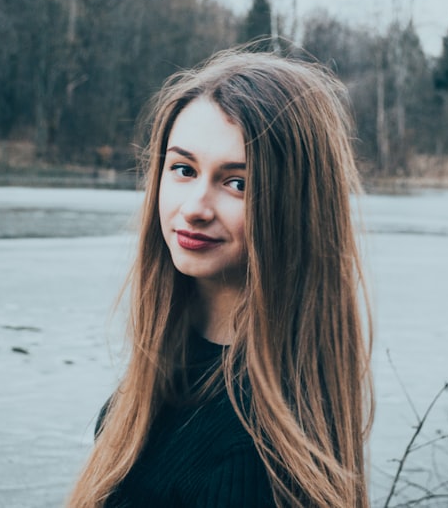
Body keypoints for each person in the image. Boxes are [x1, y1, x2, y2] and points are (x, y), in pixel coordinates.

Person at [68, 47, 373, 508]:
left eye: (237, 183)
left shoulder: (250, 460)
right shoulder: (171, 363)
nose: (194, 208)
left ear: (296, 207)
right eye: (184, 169)